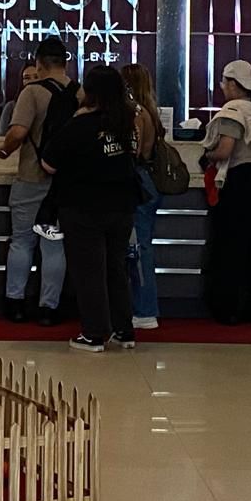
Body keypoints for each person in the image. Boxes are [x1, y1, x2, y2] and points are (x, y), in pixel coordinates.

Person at [42, 65, 142, 352]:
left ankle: (94, 333)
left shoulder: (79, 125)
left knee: (89, 271)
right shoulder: (127, 124)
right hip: (122, 206)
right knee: (116, 268)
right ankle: (124, 330)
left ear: (90, 92)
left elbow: (48, 164)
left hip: (83, 206)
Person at [0, 37, 75, 326]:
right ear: (65, 63)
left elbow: (17, 133)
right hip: (65, 183)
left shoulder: (32, 92)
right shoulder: (80, 93)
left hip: (30, 177)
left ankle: (15, 303)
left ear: (39, 64)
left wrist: (3, 151)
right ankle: (49, 308)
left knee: (22, 242)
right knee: (54, 245)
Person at [200, 59, 251, 326]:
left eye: (224, 83)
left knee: (231, 247)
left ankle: (229, 308)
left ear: (234, 84)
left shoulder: (233, 111)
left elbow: (225, 150)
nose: (222, 87)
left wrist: (208, 156)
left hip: (239, 184)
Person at [121, 63, 163, 330]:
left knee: (137, 249)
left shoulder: (135, 113)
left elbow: (132, 151)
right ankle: (143, 308)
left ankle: (145, 310)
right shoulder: (151, 112)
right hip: (149, 182)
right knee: (141, 246)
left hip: (136, 183)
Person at [0, 63, 39, 135]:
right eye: (27, 78)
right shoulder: (11, 107)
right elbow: (2, 136)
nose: (32, 81)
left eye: (36, 77)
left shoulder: (50, 104)